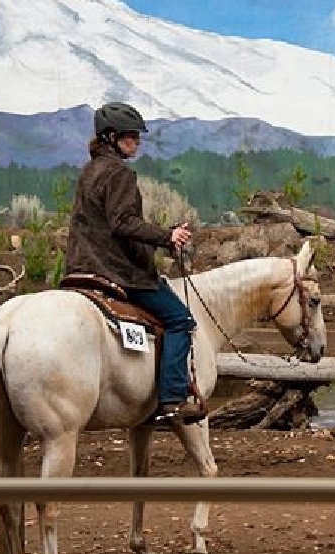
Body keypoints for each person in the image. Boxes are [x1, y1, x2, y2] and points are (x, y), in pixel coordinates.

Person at [66, 101, 204, 422]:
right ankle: (171, 399)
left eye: (137, 137)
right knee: (180, 320)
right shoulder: (119, 173)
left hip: (80, 267)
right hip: (115, 271)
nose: (136, 142)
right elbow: (123, 223)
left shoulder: (88, 172)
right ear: (111, 137)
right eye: (130, 136)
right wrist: (168, 237)